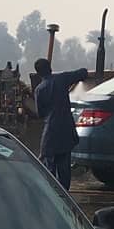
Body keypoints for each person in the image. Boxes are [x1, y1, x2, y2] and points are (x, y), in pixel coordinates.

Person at [34, 58, 88, 190]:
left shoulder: (39, 90)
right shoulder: (62, 79)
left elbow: (40, 114)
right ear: (50, 68)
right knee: (64, 169)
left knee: (49, 169)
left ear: (38, 73)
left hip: (50, 134)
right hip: (66, 131)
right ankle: (65, 194)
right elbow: (82, 73)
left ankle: (52, 195)